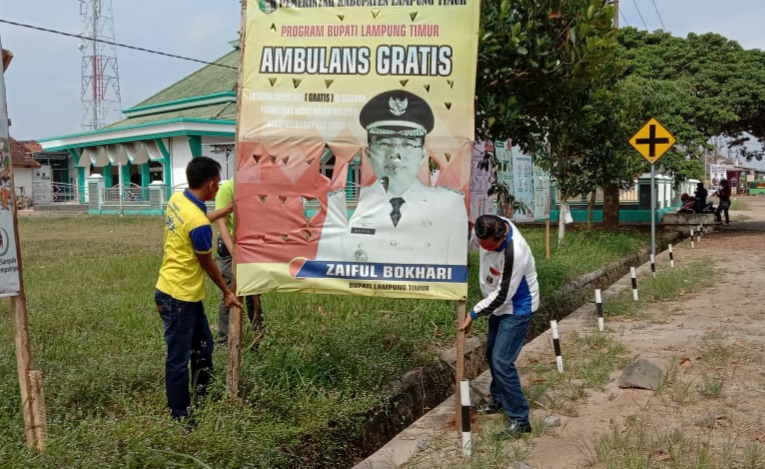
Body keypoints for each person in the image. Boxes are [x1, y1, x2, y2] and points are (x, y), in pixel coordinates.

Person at [316, 90, 468, 265]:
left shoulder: (449, 205)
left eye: (408, 144)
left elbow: (455, 272)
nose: (395, 154)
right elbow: (326, 269)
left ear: (423, 155)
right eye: (384, 144)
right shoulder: (343, 203)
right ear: (368, 153)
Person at [154, 156, 241, 424]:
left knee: (203, 347)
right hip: (178, 296)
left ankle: (203, 397)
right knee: (179, 358)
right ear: (213, 184)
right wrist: (227, 291)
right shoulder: (200, 226)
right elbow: (208, 263)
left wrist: (224, 211)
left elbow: (198, 219)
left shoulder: (178, 200)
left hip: (176, 291)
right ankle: (180, 416)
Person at [459, 214, 539, 439]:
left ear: (500, 236)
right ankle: (498, 400)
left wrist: (473, 313)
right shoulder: (488, 225)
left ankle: (520, 419)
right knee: (491, 353)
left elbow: (503, 295)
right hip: (497, 307)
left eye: (487, 246)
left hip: (517, 308)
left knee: (502, 361)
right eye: (480, 242)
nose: (482, 248)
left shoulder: (516, 251)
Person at [214, 179, 261, 347]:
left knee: (254, 289)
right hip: (229, 246)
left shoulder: (259, 186)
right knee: (230, 291)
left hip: (251, 244)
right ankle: (223, 342)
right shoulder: (227, 189)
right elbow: (222, 224)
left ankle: (258, 334)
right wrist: (234, 251)